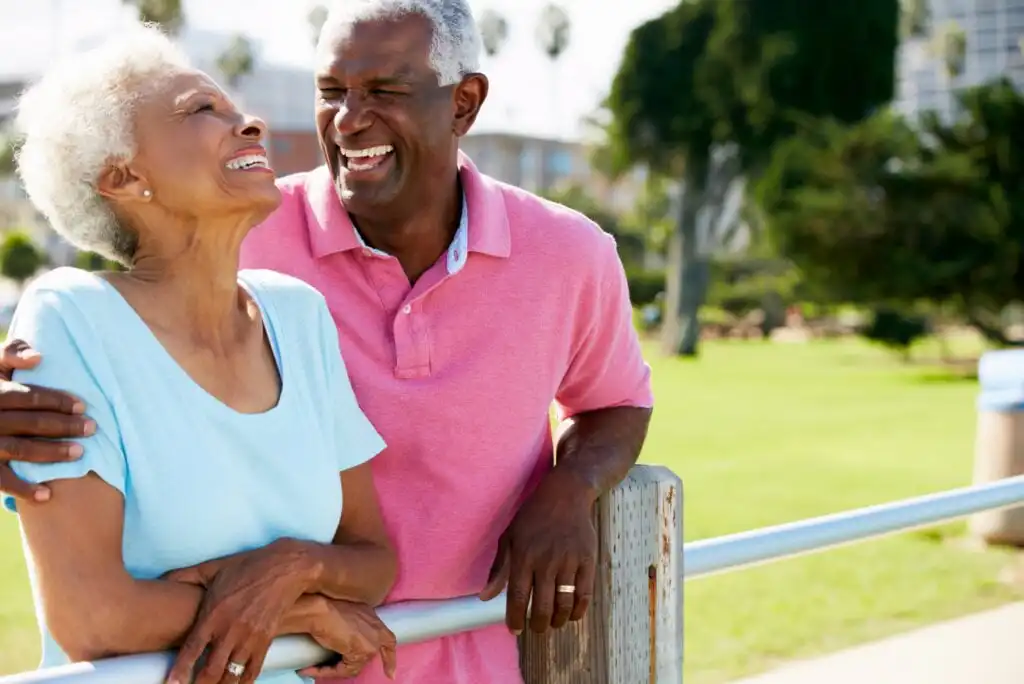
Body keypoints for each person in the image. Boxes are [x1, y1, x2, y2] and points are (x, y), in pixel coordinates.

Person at [0, 1, 655, 682]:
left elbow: (616, 400)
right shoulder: (234, 231)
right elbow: (111, 318)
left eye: (385, 92)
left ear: (463, 104)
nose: (348, 119)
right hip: (299, 661)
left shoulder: (566, 253)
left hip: (466, 653)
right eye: (332, 92)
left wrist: (569, 487)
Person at [0, 26, 399, 684]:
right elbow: (93, 619)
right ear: (123, 178)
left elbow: (373, 559)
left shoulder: (298, 315)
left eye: (235, 107)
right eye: (201, 110)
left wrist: (292, 568)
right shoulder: (70, 318)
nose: (250, 123)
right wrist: (302, 613)